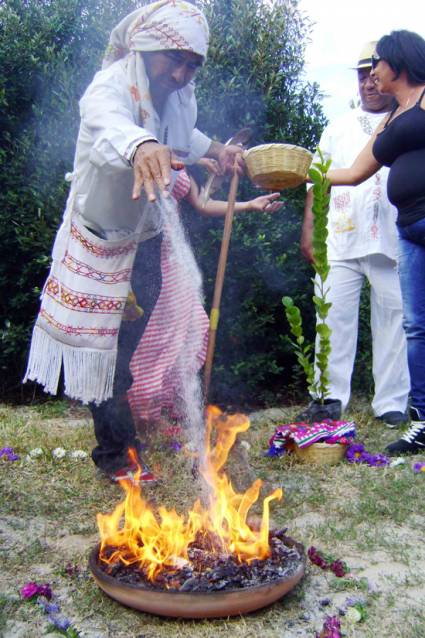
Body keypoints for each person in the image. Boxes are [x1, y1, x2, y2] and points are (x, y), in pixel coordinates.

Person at [23, 1, 246, 482]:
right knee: (108, 350)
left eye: (193, 64)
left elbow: (184, 134)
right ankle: (115, 455)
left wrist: (215, 151)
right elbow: (106, 123)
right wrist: (141, 145)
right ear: (146, 48)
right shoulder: (111, 83)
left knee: (129, 347)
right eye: (175, 59)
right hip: (99, 239)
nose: (183, 73)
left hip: (144, 236)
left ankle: (123, 441)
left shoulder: (180, 94)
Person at [298, 41, 410, 428]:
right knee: (332, 318)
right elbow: (315, 182)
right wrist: (309, 230)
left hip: (392, 239)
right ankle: (328, 397)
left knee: (395, 318)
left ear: (390, 76)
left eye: (373, 75)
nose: (368, 83)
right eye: (361, 77)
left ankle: (392, 401)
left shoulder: (407, 121)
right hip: (341, 238)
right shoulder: (337, 128)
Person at [323, 30, 425, 455]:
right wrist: (302, 174)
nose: (373, 73)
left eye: (378, 63)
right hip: (409, 230)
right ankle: (422, 421)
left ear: (398, 64)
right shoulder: (392, 118)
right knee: (416, 327)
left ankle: (408, 410)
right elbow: (351, 173)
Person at [127, 163, 282, 428]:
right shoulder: (140, 147)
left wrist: (248, 205)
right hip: (140, 254)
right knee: (150, 338)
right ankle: (139, 410)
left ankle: (171, 406)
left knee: (191, 327)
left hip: (173, 255)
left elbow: (203, 203)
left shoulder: (184, 151)